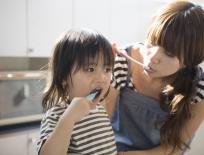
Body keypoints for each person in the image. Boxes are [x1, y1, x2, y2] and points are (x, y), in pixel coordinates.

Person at [105, 1, 204, 155]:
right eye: (151, 43)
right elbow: (102, 127)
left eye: (169, 54)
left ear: (189, 61)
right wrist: (101, 74)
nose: (153, 57)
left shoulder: (199, 87)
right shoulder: (122, 61)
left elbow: (174, 148)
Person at [36, 28, 117, 155]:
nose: (102, 78)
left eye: (107, 69)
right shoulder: (57, 115)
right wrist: (70, 117)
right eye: (90, 69)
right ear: (63, 77)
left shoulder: (100, 110)